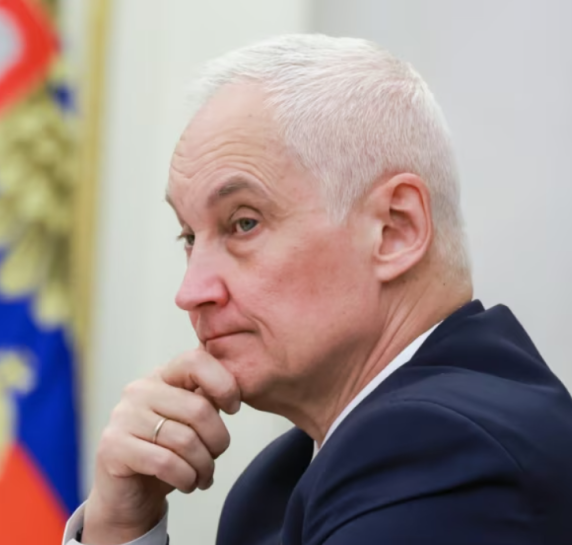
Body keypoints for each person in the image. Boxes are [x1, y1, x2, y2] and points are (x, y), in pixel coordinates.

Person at [62, 34, 572, 545]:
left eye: (243, 223)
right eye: (189, 237)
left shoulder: (446, 450)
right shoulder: (280, 478)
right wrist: (121, 527)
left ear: (395, 229)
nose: (191, 291)